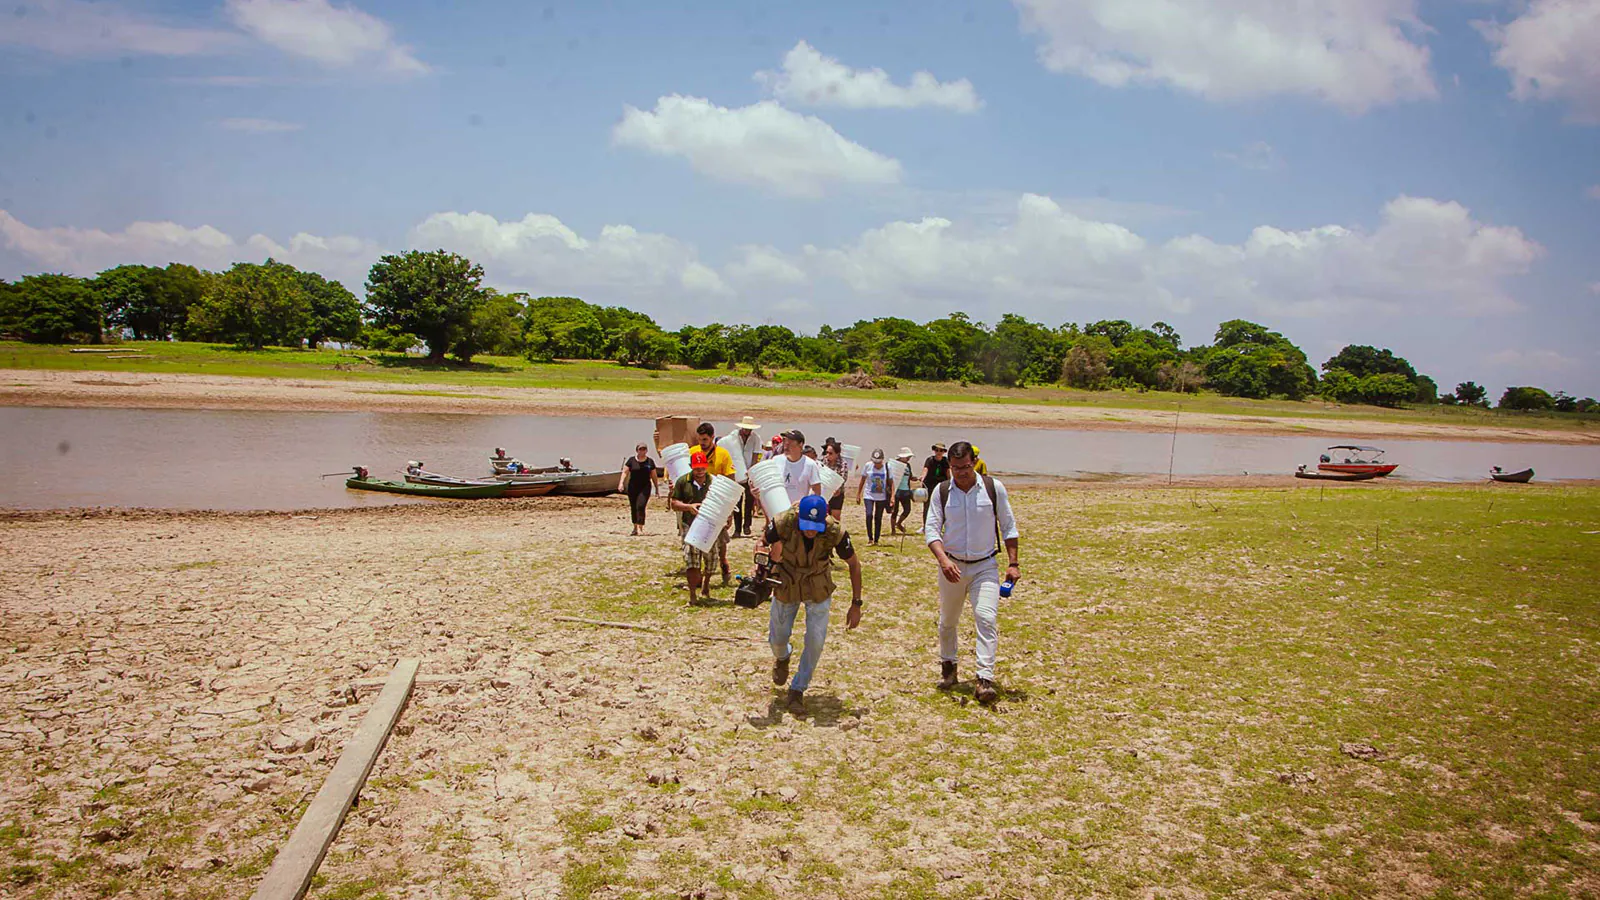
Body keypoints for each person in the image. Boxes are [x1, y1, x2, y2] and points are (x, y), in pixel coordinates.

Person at [924, 441, 1020, 705]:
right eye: (956, 468)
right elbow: (931, 530)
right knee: (948, 620)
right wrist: (943, 560)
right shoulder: (942, 492)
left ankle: (984, 680)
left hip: (985, 565)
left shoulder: (993, 488)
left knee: (985, 617)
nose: (961, 473)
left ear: (974, 462)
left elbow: (1009, 527)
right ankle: (949, 668)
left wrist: (1013, 563)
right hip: (952, 566)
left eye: (965, 467)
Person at [765, 494, 863, 716]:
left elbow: (854, 564)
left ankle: (798, 689)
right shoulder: (783, 523)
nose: (810, 531)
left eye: (815, 526)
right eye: (806, 525)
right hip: (787, 580)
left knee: (816, 640)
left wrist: (856, 603)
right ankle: (782, 657)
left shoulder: (834, 531)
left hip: (817, 584)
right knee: (777, 638)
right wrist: (765, 562)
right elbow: (762, 543)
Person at [669, 450, 723, 603]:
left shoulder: (714, 482)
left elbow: (723, 502)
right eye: (697, 468)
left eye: (703, 468)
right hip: (689, 524)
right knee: (692, 559)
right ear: (691, 466)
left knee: (712, 557)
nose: (700, 472)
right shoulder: (682, 481)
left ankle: (706, 584)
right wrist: (688, 507)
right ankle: (692, 594)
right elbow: (674, 503)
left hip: (710, 525)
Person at [695, 423, 736, 582]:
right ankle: (699, 574)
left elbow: (731, 480)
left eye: (705, 439)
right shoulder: (693, 452)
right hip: (698, 503)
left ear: (713, 437)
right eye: (699, 440)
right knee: (697, 538)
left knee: (720, 538)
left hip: (718, 503)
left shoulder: (723, 454)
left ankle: (723, 562)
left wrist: (730, 510)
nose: (702, 443)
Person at [728, 416, 763, 538]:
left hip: (749, 472)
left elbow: (756, 455)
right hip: (736, 472)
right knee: (737, 501)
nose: (747, 431)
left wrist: (751, 471)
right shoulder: (733, 437)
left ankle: (747, 525)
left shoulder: (756, 438)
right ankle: (737, 529)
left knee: (749, 500)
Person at [618, 443, 659, 536]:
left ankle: (640, 527)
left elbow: (654, 475)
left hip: (645, 487)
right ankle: (635, 527)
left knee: (641, 506)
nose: (642, 451)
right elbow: (625, 472)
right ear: (637, 450)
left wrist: (657, 488)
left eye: (644, 449)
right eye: (640, 449)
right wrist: (621, 483)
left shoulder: (650, 462)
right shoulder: (631, 460)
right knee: (633, 507)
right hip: (633, 487)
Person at [777, 430, 823, 506]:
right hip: (778, 509)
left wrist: (804, 502)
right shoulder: (776, 461)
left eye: (790, 441)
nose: (786, 444)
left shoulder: (810, 464)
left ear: (800, 444)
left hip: (799, 511)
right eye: (785, 440)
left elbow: (817, 492)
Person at [855, 449, 890, 544]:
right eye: (875, 462)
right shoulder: (868, 466)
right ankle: (870, 538)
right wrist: (858, 494)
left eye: (878, 462)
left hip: (881, 496)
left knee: (878, 517)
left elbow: (891, 482)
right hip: (868, 495)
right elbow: (862, 480)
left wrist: (893, 497)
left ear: (882, 460)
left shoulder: (887, 467)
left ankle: (876, 539)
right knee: (869, 514)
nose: (876, 464)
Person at [921, 443, 950, 523]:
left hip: (941, 485)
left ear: (944, 452)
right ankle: (925, 525)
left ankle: (940, 523)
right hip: (929, 484)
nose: (938, 452)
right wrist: (922, 477)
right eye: (937, 450)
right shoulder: (930, 460)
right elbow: (925, 469)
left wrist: (950, 482)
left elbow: (948, 472)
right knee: (927, 505)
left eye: (941, 450)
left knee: (942, 504)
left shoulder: (945, 461)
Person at [890, 448, 916, 535]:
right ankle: (893, 529)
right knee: (895, 510)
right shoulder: (894, 465)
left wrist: (914, 479)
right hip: (897, 490)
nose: (908, 458)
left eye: (909, 457)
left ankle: (899, 523)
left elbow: (910, 476)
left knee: (907, 510)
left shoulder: (908, 466)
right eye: (907, 457)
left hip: (906, 490)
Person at [821, 441, 848, 516]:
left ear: (837, 453)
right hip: (824, 492)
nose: (827, 455)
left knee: (835, 518)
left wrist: (837, 488)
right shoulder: (823, 461)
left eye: (830, 453)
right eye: (827, 452)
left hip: (837, 494)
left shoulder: (843, 463)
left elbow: (843, 478)